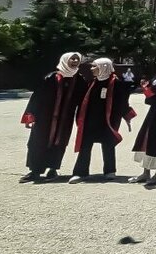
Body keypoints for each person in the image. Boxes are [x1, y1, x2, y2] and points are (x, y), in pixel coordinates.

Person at [20, 52, 87, 182]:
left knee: (60, 143)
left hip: (65, 120)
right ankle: (35, 171)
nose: (74, 61)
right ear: (65, 60)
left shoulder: (79, 80)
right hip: (45, 118)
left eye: (77, 59)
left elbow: (84, 101)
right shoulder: (51, 78)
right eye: (72, 58)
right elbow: (37, 98)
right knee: (37, 142)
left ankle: (53, 169)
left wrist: (82, 119)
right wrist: (30, 116)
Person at [69, 58, 135, 183]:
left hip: (107, 121)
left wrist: (127, 117)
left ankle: (109, 171)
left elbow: (122, 102)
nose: (91, 69)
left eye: (94, 66)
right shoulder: (92, 82)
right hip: (90, 121)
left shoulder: (116, 83)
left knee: (108, 145)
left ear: (103, 67)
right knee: (85, 146)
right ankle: (81, 173)